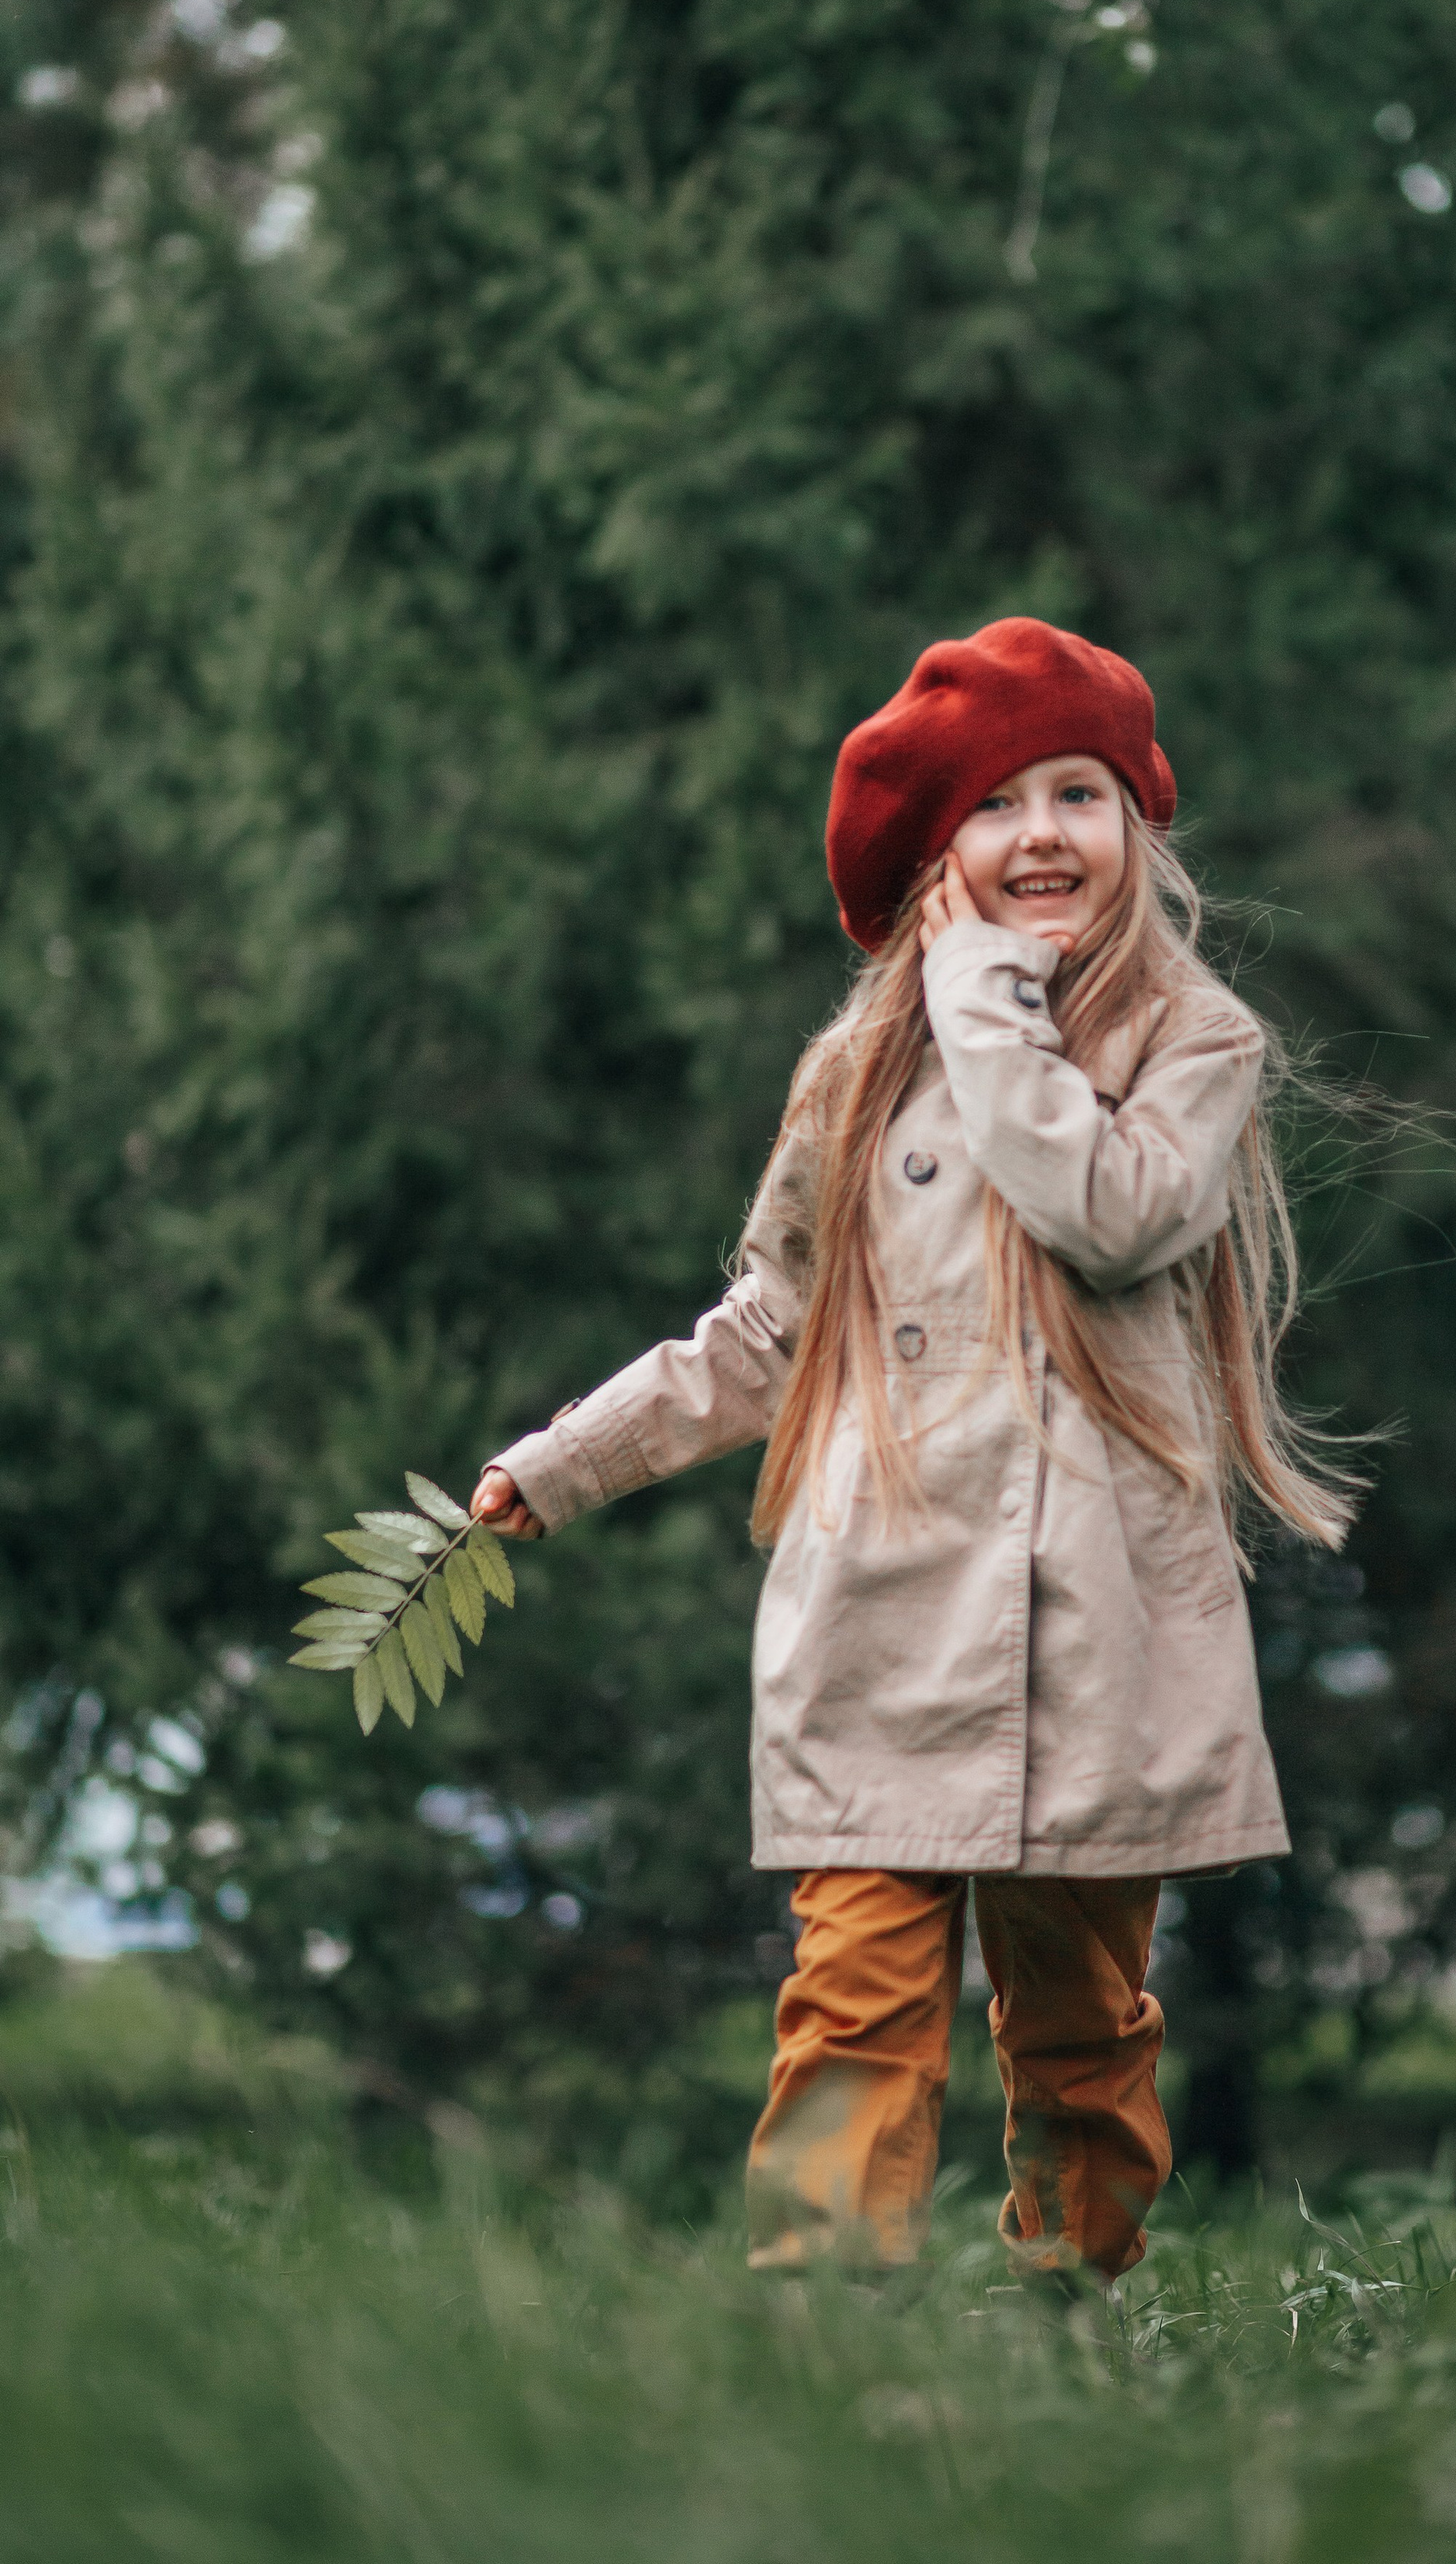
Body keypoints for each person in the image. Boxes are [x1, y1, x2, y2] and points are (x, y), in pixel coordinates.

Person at [472, 616, 1360, 2284]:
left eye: (1077, 793)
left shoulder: (1194, 1046)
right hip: (881, 1613)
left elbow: (1105, 1216)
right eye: (995, 804)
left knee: (1082, 2029)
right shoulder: (855, 1075)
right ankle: (820, 2321)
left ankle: (1067, 2299)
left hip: (1099, 1640)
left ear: (1135, 824)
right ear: (931, 852)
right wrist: (566, 1459)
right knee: (849, 2014)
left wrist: (984, 999)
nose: (1039, 833)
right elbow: (763, 1329)